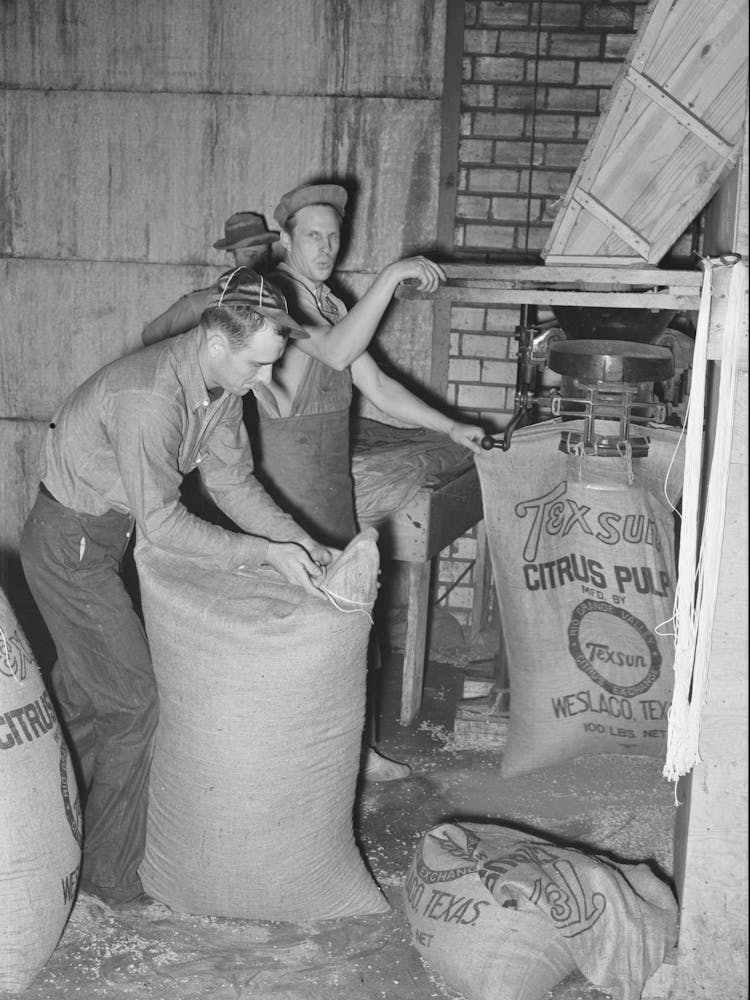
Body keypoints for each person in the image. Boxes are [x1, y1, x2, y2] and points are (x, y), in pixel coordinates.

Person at [20, 278, 332, 917]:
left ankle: (47, 831)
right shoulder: (150, 395)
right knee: (136, 704)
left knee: (86, 698)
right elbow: (162, 523)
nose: (267, 378)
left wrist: (302, 541)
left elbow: (233, 482)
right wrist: (264, 555)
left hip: (102, 539)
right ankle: (109, 879)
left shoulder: (224, 386)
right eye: (258, 362)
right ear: (216, 341)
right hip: (69, 546)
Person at [258, 183, 487, 781]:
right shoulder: (275, 293)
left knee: (349, 614)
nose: (327, 247)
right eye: (313, 235)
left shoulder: (331, 301)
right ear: (285, 239)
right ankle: (290, 756)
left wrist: (452, 426)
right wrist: (391, 276)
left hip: (329, 482)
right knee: (297, 623)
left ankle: (352, 754)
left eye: (334, 236)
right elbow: (334, 355)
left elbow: (378, 389)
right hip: (284, 483)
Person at [141, 211, 278, 346]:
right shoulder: (199, 305)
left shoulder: (274, 304)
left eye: (265, 255)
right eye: (251, 255)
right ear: (230, 258)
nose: (261, 263)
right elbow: (151, 336)